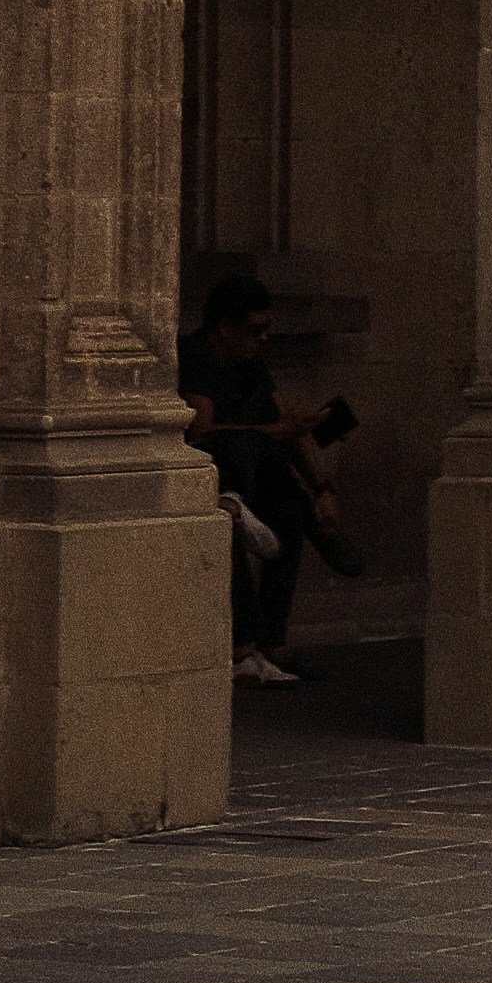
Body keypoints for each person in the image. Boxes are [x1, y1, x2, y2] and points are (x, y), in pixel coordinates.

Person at [178, 263, 361, 681]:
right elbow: (200, 431)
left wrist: (322, 488)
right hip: (217, 471)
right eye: (255, 329)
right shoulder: (198, 357)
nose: (264, 338)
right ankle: (244, 644)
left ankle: (272, 641)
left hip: (258, 473)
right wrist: (268, 431)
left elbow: (289, 426)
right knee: (232, 508)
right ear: (225, 327)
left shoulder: (251, 362)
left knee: (291, 513)